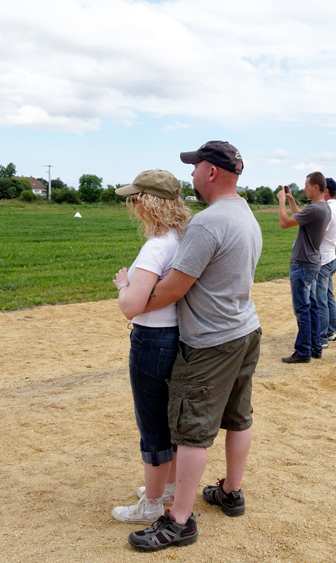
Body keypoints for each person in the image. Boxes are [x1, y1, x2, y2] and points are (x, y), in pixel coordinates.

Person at [126, 141, 263, 551]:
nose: (191, 175)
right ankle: (231, 491)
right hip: (245, 328)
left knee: (190, 431)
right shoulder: (245, 212)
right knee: (238, 417)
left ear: (212, 172)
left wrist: (130, 297)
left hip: (210, 341)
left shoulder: (207, 223)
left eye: (195, 166)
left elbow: (172, 288)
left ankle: (180, 520)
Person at [110, 170, 190, 524]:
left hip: (151, 340)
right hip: (176, 337)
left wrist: (123, 284)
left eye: (136, 199)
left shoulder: (156, 246)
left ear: (148, 203)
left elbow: (131, 305)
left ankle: (153, 503)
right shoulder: (182, 237)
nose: (133, 207)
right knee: (168, 421)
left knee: (151, 425)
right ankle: (168, 488)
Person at [277, 172, 331, 363]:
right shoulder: (323, 208)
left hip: (302, 264)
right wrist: (291, 200)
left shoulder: (314, 209)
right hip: (313, 262)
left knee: (302, 309)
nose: (304, 188)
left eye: (306, 185)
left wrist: (281, 201)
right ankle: (315, 348)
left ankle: (303, 351)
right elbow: (301, 219)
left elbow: (284, 223)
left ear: (315, 187)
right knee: (312, 307)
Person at [316, 177, 336, 349]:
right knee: (328, 297)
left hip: (323, 260)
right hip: (332, 257)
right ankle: (331, 331)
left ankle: (322, 337)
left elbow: (320, 235)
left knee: (321, 301)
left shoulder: (327, 210)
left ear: (325, 191)